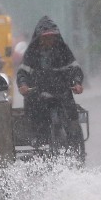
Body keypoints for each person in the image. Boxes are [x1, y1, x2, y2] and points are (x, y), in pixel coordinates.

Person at [16, 17, 84, 153]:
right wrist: (23, 85)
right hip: (39, 94)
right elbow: (23, 72)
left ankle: (76, 145)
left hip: (62, 92)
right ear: (39, 38)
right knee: (33, 111)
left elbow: (75, 68)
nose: (49, 41)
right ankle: (37, 137)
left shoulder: (63, 50)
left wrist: (77, 83)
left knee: (72, 119)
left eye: (51, 37)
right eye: (45, 38)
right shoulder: (32, 52)